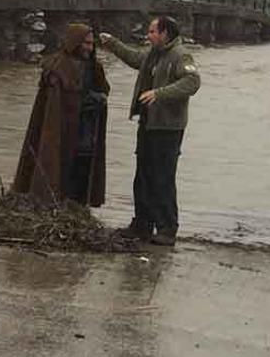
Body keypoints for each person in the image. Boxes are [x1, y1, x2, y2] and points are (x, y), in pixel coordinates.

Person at [99, 16, 200, 245]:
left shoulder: (180, 55)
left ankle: (167, 228)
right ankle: (142, 225)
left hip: (168, 127)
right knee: (143, 175)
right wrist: (113, 43)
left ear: (165, 34)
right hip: (147, 122)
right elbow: (136, 58)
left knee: (163, 177)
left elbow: (192, 81)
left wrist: (159, 93)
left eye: (153, 31)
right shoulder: (154, 53)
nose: (149, 35)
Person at [13, 22, 110, 207]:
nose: (89, 48)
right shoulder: (56, 67)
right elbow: (55, 105)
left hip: (85, 127)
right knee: (58, 163)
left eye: (91, 44)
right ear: (75, 43)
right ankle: (54, 200)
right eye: (85, 43)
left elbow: (101, 89)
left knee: (83, 165)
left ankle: (76, 204)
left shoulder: (93, 67)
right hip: (61, 128)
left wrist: (96, 99)